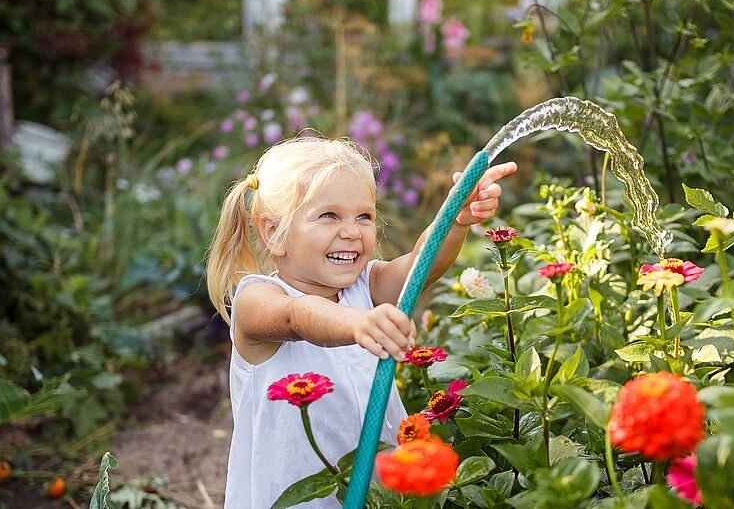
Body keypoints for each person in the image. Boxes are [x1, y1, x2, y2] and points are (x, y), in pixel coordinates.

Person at [205, 136, 516, 508]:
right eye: (329, 216)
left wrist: (455, 219)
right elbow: (297, 316)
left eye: (363, 216)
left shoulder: (365, 285)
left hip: (379, 496)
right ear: (274, 232)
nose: (352, 231)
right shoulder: (257, 299)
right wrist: (357, 323)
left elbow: (421, 266)